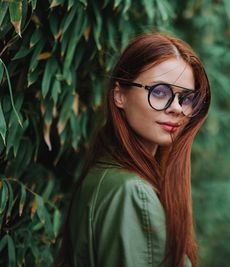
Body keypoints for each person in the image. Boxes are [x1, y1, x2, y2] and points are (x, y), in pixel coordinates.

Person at [55, 32, 211, 267]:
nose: (178, 109)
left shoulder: (107, 175)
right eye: (159, 92)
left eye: (186, 98)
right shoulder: (132, 192)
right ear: (119, 95)